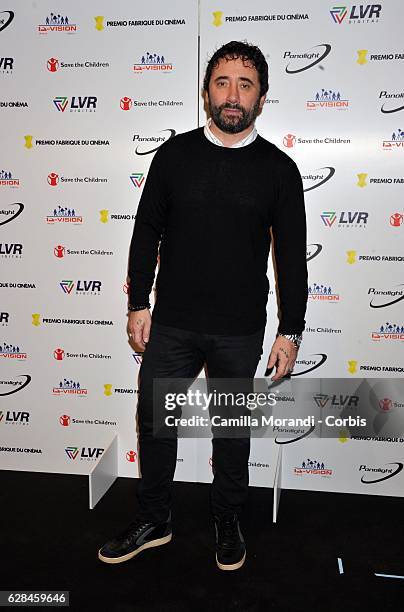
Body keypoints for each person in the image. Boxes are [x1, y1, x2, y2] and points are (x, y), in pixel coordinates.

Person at [98, 40, 308, 571]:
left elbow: (291, 256)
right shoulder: (174, 156)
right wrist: (138, 302)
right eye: (223, 82)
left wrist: (292, 330)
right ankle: (155, 518)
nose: (233, 95)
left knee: (232, 431)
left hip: (239, 328)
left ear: (262, 98)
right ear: (206, 91)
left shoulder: (280, 170)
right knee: (154, 420)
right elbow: (146, 232)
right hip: (171, 323)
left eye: (246, 84)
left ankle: (228, 517)